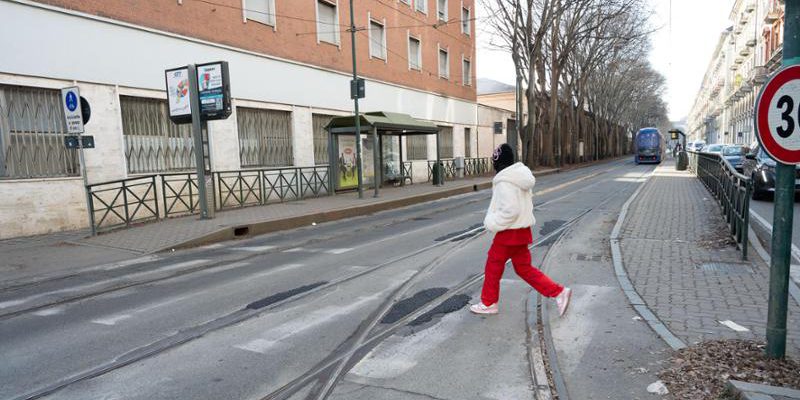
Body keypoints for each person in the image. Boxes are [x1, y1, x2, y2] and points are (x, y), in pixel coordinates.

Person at [470, 144, 572, 316]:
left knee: (493, 266)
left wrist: (492, 222)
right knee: (524, 268)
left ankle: (489, 303)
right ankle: (559, 292)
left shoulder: (504, 182)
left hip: (509, 233)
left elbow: (511, 210)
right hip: (522, 231)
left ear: (497, 162)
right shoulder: (519, 177)